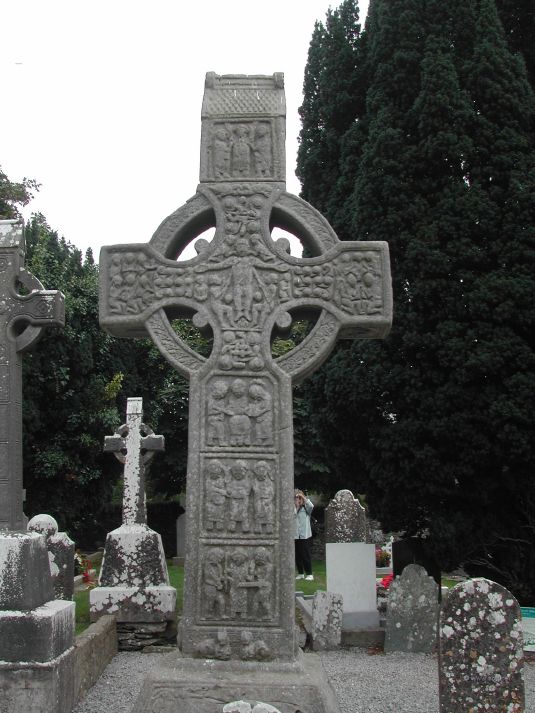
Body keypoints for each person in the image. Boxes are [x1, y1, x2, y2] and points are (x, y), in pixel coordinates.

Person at [294, 489, 314, 581]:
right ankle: (301, 573)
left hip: (304, 535)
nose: (297, 499)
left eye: (299, 498)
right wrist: (296, 507)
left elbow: (311, 505)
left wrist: (303, 497)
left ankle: (309, 574)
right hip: (295, 535)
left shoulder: (306, 508)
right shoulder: (293, 508)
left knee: (305, 555)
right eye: (296, 498)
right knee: (297, 555)